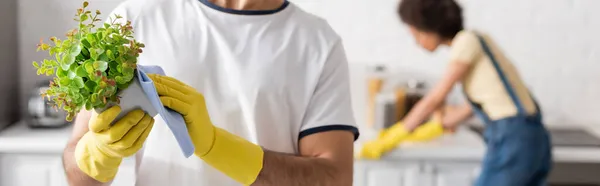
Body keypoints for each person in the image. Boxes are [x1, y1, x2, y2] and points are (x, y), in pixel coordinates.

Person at [61, 0, 360, 185]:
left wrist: (218, 146)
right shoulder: (134, 18)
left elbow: (334, 178)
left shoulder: (318, 43)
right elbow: (78, 177)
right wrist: (97, 153)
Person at [362, 0, 552, 185]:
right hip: (533, 138)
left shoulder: (466, 41)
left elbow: (436, 98)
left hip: (513, 137)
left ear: (430, 27)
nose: (417, 42)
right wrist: (435, 127)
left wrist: (395, 135)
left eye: (416, 34)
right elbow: (473, 106)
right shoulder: (479, 42)